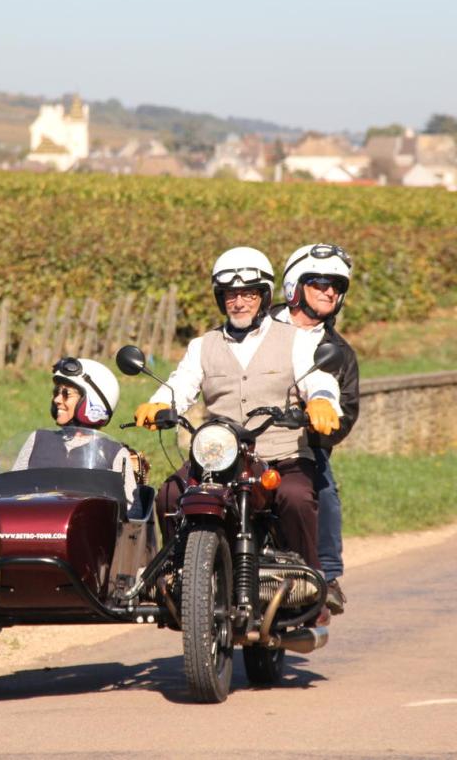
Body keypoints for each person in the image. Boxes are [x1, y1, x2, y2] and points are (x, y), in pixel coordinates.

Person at [135, 246, 343, 619]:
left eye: (249, 293)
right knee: (169, 494)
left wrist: (322, 401)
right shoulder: (204, 346)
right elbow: (181, 384)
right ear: (221, 298)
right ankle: (181, 575)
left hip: (281, 452)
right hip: (221, 456)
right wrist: (159, 403)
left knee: (295, 497)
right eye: (231, 294)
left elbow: (319, 379)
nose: (240, 302)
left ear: (264, 296)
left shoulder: (294, 340)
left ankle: (310, 585)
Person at [271, 243, 359, 614]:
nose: (329, 291)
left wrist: (320, 421)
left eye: (336, 286)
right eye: (319, 282)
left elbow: (347, 413)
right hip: (242, 435)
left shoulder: (337, 351)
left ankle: (327, 574)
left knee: (322, 483)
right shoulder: (259, 327)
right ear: (296, 284)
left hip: (301, 442)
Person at [12, 357, 142, 516]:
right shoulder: (37, 440)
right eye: (56, 392)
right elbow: (10, 495)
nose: (57, 400)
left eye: (66, 393)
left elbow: (131, 514)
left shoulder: (114, 453)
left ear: (92, 400)